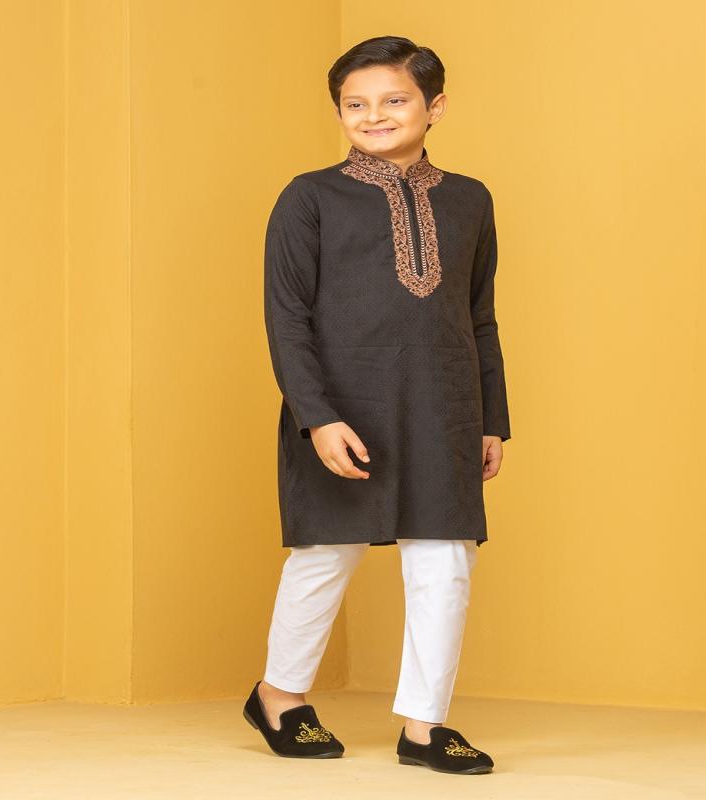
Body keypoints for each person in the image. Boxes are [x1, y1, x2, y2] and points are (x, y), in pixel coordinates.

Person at [242, 35, 511, 775]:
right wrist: (316, 416)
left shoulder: (469, 199)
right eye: (354, 104)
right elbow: (286, 317)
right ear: (339, 113)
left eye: (394, 99)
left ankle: (425, 725)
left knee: (445, 562)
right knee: (325, 554)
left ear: (435, 106)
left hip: (443, 405)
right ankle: (279, 696)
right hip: (341, 407)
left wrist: (491, 418)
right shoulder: (309, 197)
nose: (374, 115)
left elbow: (479, 315)